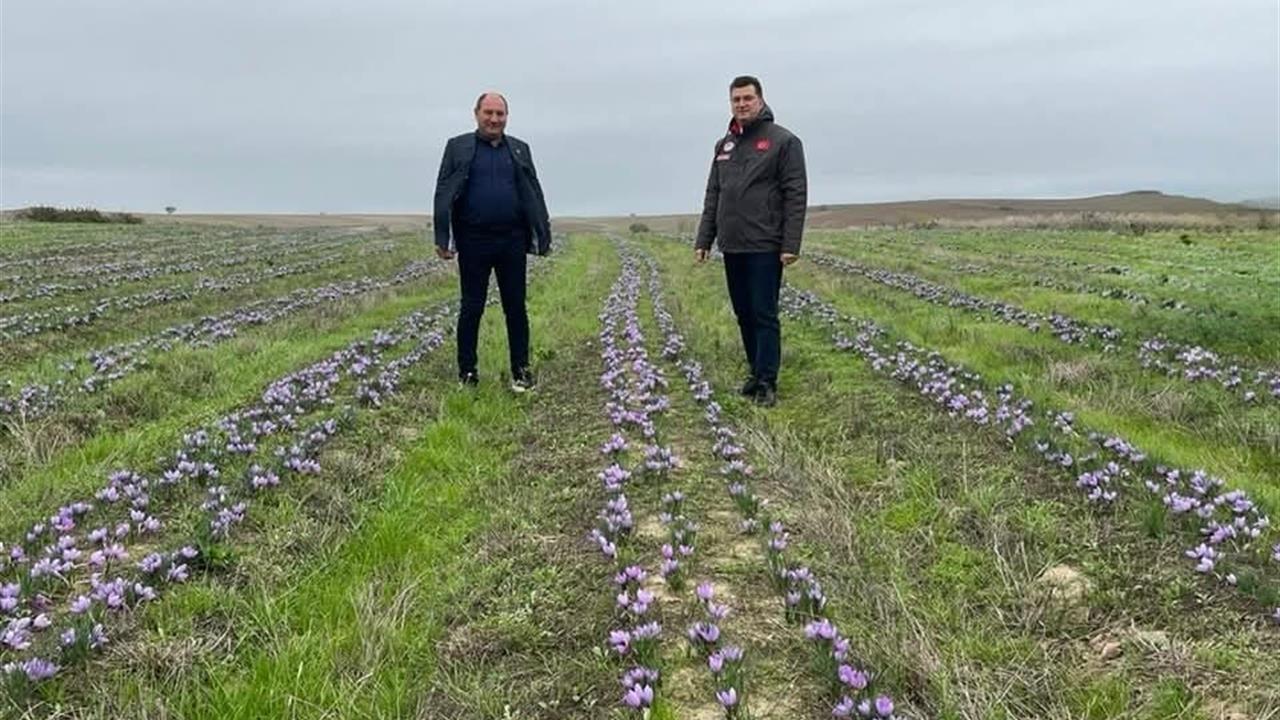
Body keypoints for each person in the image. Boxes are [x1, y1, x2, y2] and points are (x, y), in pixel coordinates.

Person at [695, 75, 808, 406]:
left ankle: (767, 381)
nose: (741, 104)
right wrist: (704, 238)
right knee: (743, 312)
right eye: (736, 100)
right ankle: (754, 371)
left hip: (765, 244)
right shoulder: (725, 146)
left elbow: (795, 194)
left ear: (760, 100)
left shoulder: (783, 142)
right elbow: (714, 194)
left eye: (747, 98)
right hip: (733, 244)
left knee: (763, 313)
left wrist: (791, 244)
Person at [433, 91, 552, 392]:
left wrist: (542, 233)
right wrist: (442, 236)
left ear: (506, 117)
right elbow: (443, 191)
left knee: (516, 308)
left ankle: (521, 372)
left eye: (500, 114)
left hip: (512, 240)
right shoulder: (457, 147)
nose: (494, 119)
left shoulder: (519, 150)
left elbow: (534, 192)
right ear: (476, 114)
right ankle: (467, 374)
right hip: (473, 240)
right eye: (489, 113)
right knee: (472, 307)